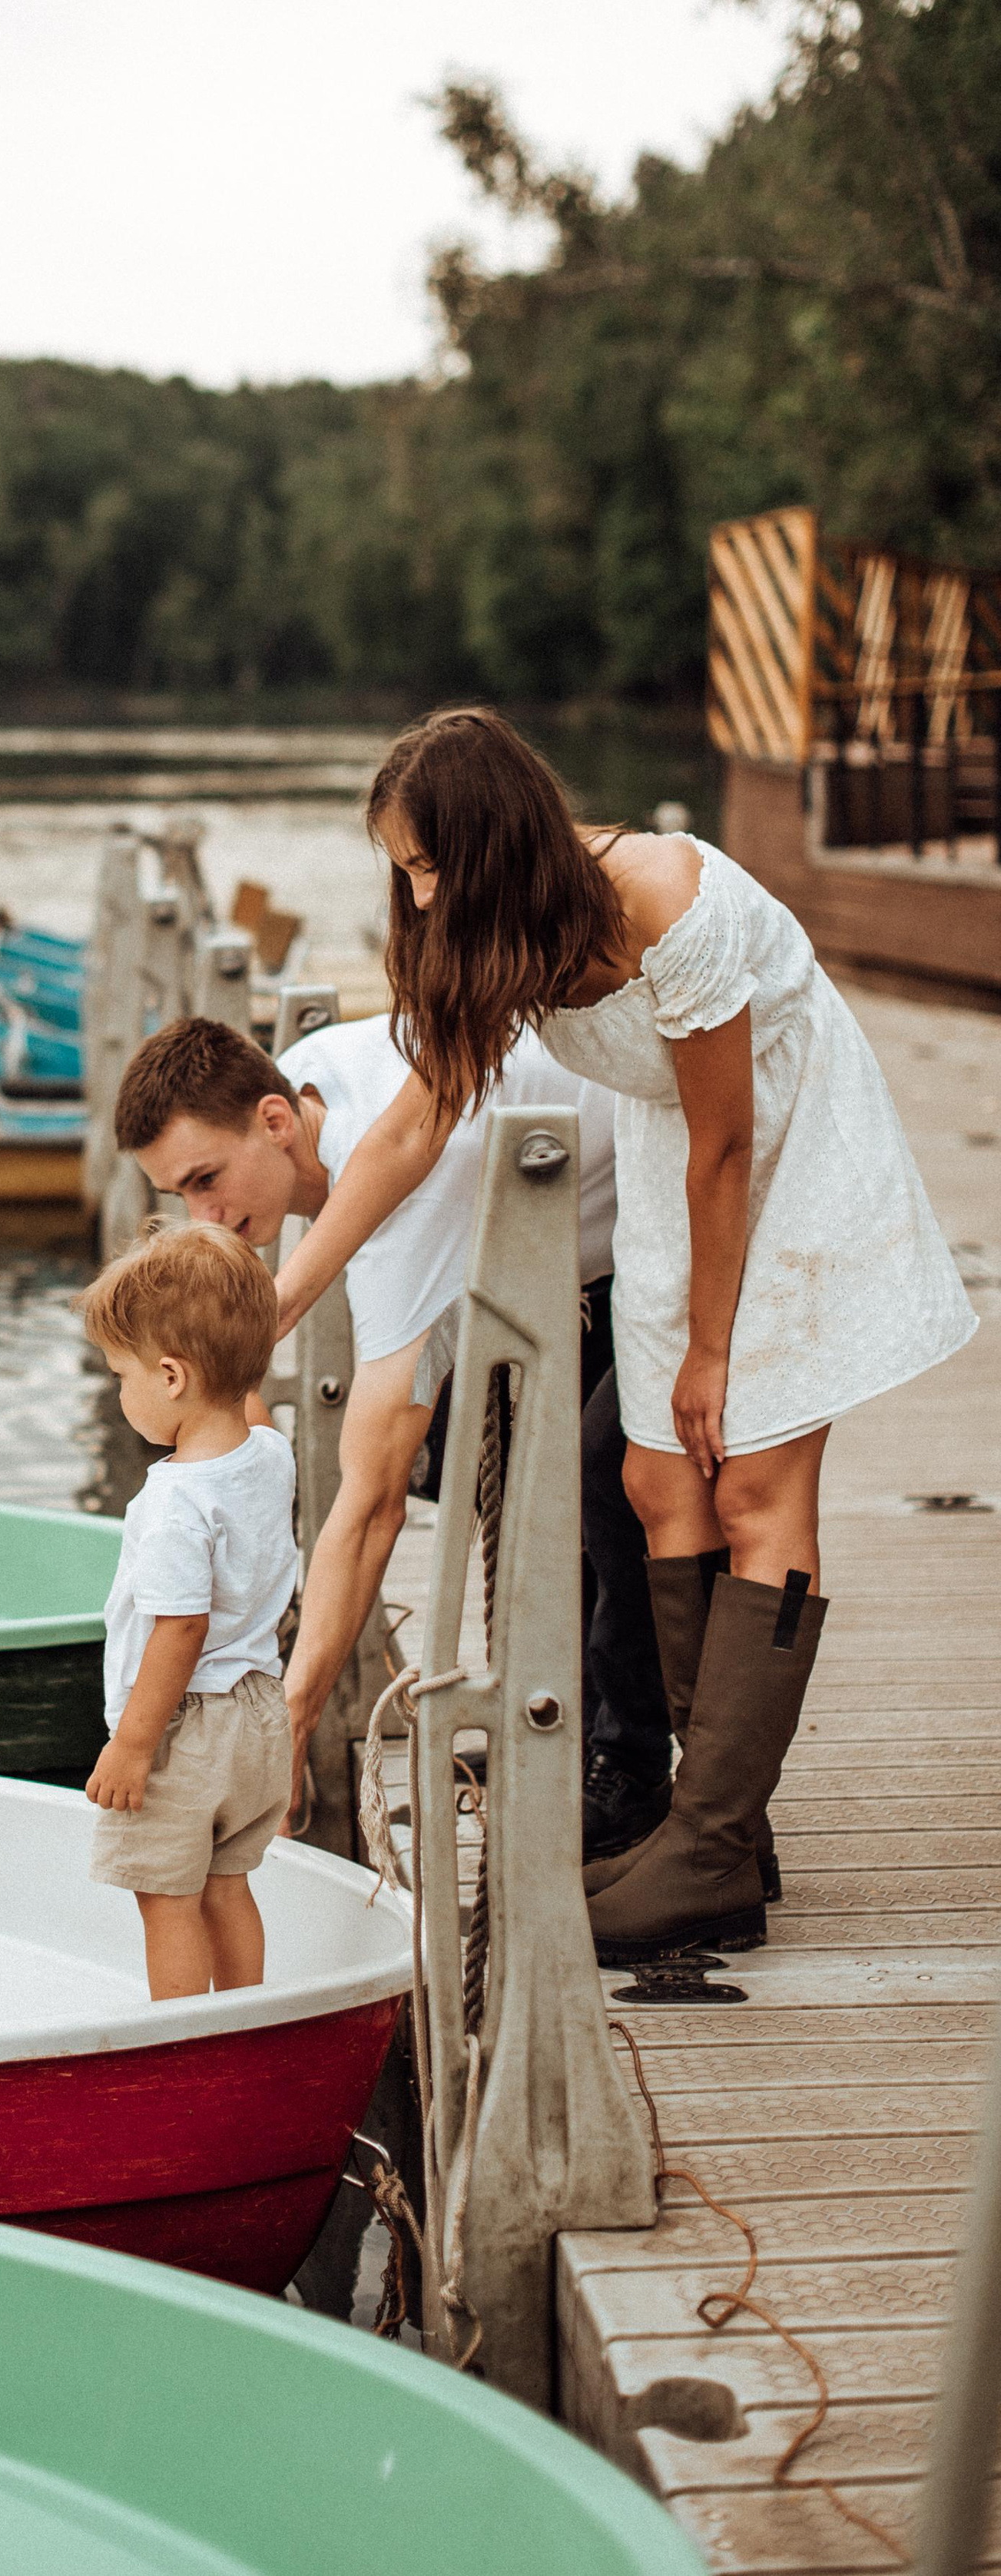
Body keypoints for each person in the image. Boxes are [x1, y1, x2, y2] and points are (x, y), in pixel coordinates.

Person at [280, 706, 975, 1967]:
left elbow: (731, 1138)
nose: (419, 891)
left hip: (783, 1142)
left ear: (491, 841)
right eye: (404, 869)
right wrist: (279, 1302)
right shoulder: (497, 938)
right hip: (678, 1159)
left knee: (753, 1478)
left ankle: (707, 1850)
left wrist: (712, 1349)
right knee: (657, 1478)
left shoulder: (665, 903)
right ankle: (728, 1831)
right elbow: (405, 1133)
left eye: (430, 862)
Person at [114, 1012, 675, 1862]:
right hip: (588, 1231)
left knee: (603, 1477)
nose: (204, 1214)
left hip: (688, 1194)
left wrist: (289, 1721)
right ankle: (563, 1721)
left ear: (272, 1121)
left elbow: (367, 1506)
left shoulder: (405, 1208)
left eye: (205, 1180)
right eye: (181, 1196)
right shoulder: (305, 1084)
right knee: (503, 1455)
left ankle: (628, 1770)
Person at [81, 1223, 297, 2000]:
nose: (118, 1391)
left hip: (187, 1725)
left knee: (165, 1898)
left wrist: (134, 1747)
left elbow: (179, 1629)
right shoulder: (269, 1453)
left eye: (118, 1375)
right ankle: (244, 2018)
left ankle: (180, 2039)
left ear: (170, 1376)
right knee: (226, 1884)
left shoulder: (173, 1503)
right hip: (259, 1714)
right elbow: (249, 1409)